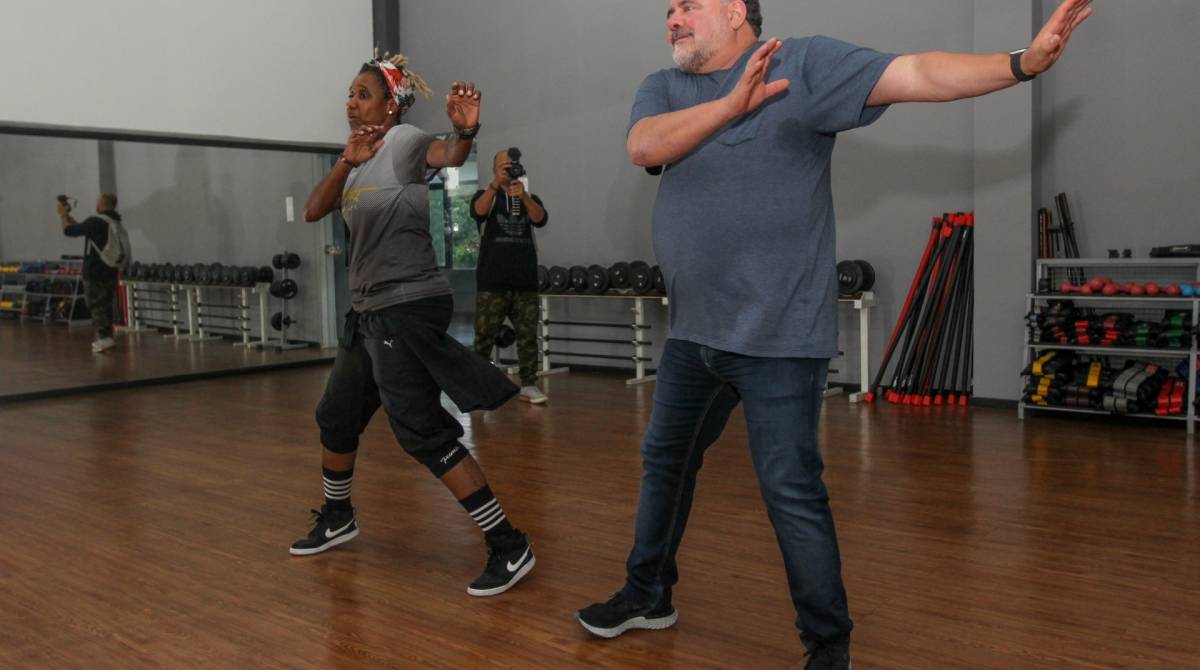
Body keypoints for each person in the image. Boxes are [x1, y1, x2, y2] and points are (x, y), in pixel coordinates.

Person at [575, 0, 1093, 666]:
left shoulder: (806, 63)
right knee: (664, 465)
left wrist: (1020, 64)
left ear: (736, 9)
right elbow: (644, 145)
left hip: (780, 335)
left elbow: (918, 74)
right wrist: (733, 105)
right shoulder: (664, 87)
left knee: (790, 490)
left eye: (688, 4)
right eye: (668, 9)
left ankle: (828, 646)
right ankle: (647, 593)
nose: (672, 17)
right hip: (694, 333)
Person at [294, 52, 535, 597]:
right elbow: (313, 211)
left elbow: (445, 154)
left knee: (421, 430)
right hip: (370, 310)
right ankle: (337, 515)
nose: (351, 103)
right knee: (336, 416)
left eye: (363, 94)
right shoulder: (356, 156)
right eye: (350, 94)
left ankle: (509, 543)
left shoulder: (403, 141)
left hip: (406, 303)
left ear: (391, 103)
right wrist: (345, 162)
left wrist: (465, 133)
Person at [471, 148, 549, 404]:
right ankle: (477, 385)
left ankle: (529, 384)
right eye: (503, 165)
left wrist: (523, 195)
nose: (508, 169)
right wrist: (497, 185)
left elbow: (540, 219)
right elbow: (479, 212)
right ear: (495, 169)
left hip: (524, 281)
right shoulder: (485, 195)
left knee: (528, 336)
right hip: (492, 282)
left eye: (511, 165)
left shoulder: (529, 196)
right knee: (484, 337)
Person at [58, 192, 129, 353]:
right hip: (110, 269)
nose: (96, 204)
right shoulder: (115, 222)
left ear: (102, 203)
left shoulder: (95, 221)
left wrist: (62, 216)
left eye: (97, 201)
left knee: (95, 305)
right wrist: (68, 216)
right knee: (106, 305)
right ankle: (107, 337)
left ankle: (105, 338)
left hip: (95, 271)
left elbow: (69, 231)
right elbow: (81, 228)